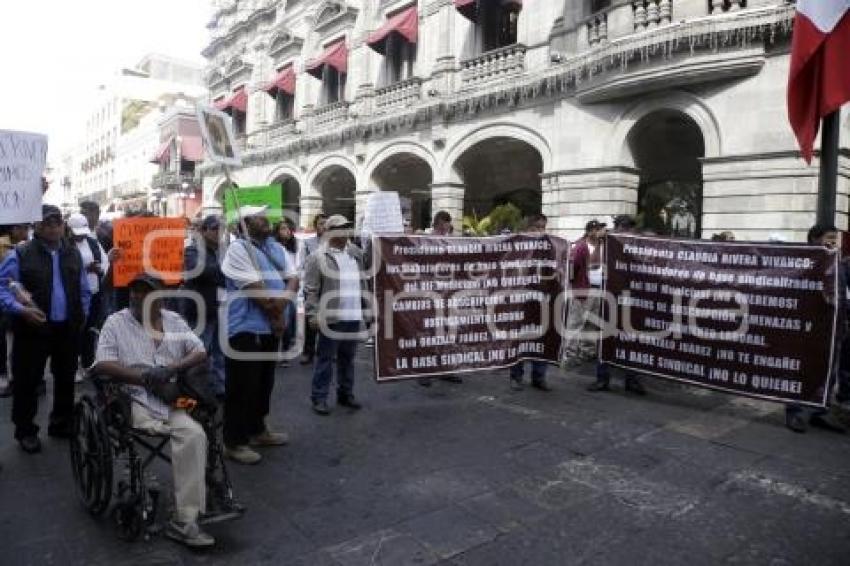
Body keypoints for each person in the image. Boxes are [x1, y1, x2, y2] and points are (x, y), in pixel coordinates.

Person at [93, 273, 215, 547]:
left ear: (161, 298)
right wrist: (144, 378)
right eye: (135, 291)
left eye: (146, 292)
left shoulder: (174, 321)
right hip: (134, 399)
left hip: (171, 398)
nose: (138, 296)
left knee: (194, 435)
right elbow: (102, 364)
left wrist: (172, 368)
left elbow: (200, 351)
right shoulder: (116, 322)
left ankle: (184, 520)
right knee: (172, 425)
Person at [0, 205, 91, 453]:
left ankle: (61, 423)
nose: (53, 227)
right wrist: (22, 311)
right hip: (33, 328)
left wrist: (82, 313)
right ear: (36, 227)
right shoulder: (19, 254)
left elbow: (83, 288)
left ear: (63, 226)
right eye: (47, 223)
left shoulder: (72, 254)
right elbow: (4, 288)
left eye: (57, 222)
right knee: (27, 381)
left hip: (67, 328)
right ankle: (26, 430)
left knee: (65, 378)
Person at [221, 205, 297, 465]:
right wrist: (276, 314)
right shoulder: (238, 250)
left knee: (264, 382)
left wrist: (281, 309)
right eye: (259, 217)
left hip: (271, 327)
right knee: (243, 385)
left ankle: (257, 429)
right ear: (244, 223)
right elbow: (257, 293)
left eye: (266, 216)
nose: (266, 220)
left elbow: (293, 278)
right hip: (246, 328)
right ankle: (234, 441)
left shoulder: (276, 247)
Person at [304, 215, 371, 415]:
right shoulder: (318, 257)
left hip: (353, 315)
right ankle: (319, 397)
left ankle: (345, 394)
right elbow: (311, 289)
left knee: (347, 358)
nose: (345, 232)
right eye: (341, 228)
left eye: (347, 228)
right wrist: (312, 314)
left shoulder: (355, 253)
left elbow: (366, 275)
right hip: (331, 317)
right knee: (325, 359)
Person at [785, 224, 846, 434]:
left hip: (831, 328)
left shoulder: (839, 262)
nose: (833, 242)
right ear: (813, 239)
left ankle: (819, 412)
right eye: (829, 237)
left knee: (827, 370)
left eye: (835, 238)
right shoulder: (801, 263)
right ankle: (794, 412)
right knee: (798, 369)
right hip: (804, 328)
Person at [587, 214, 646, 395]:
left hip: (631, 300)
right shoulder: (608, 243)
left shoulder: (639, 244)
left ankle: (631, 380)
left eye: (629, 227)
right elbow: (594, 263)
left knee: (631, 341)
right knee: (607, 339)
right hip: (611, 299)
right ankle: (603, 378)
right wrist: (601, 243)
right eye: (623, 227)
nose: (626, 231)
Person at [419, 211, 464, 387]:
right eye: (446, 222)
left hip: (448, 293)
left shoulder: (451, 241)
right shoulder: (427, 240)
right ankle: (425, 371)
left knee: (448, 332)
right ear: (439, 222)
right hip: (432, 293)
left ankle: (445, 369)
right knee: (430, 331)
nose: (448, 226)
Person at [509, 213, 553, 392]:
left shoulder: (549, 245)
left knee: (540, 337)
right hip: (521, 299)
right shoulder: (517, 245)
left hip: (541, 298)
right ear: (528, 228)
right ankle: (516, 376)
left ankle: (539, 376)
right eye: (537, 227)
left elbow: (553, 268)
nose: (541, 231)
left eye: (543, 227)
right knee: (519, 339)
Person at [183, 215, 226, 397]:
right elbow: (201, 271)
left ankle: (219, 388)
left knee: (219, 353)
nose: (218, 232)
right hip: (201, 311)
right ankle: (194, 389)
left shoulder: (222, 252)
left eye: (221, 229)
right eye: (214, 228)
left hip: (219, 310)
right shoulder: (192, 251)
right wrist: (224, 269)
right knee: (200, 352)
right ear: (204, 231)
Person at [67, 213, 109, 378]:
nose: (81, 235)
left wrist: (100, 269)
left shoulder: (92, 242)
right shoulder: (64, 246)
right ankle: (74, 365)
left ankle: (87, 362)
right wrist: (85, 270)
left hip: (94, 292)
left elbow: (105, 262)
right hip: (75, 296)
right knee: (76, 331)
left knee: (90, 330)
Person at [563, 219, 606, 365]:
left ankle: (587, 351)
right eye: (595, 229)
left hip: (598, 289)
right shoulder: (581, 247)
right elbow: (571, 268)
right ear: (589, 231)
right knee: (576, 322)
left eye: (599, 229)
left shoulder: (603, 246)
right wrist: (575, 286)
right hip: (582, 289)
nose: (598, 232)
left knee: (591, 322)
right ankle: (570, 353)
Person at [0, 223, 30, 398]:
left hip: (22, 300)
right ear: (12, 229)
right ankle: (4, 375)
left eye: (26, 228)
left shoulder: (29, 246)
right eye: (20, 228)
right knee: (3, 338)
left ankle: (21, 375)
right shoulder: (4, 246)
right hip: (4, 299)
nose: (24, 232)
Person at [298, 213, 327, 365]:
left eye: (326, 223)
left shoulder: (333, 243)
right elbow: (301, 263)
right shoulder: (308, 243)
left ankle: (325, 350)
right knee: (311, 319)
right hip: (312, 286)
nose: (324, 226)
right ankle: (308, 351)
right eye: (321, 223)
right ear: (316, 226)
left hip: (328, 287)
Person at [274, 217, 301, 364]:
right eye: (283, 228)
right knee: (277, 316)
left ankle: (285, 350)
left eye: (288, 228)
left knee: (289, 318)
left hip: (291, 284)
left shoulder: (295, 247)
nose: (287, 231)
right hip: (277, 284)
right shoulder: (273, 248)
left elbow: (298, 266)